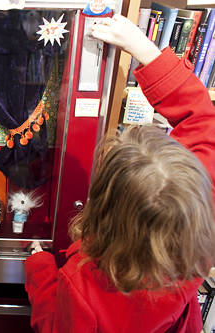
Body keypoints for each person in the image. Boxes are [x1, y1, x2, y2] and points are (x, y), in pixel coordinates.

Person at [24, 14, 215, 333]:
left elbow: (55, 323)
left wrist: (39, 267)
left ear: (103, 206)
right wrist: (144, 49)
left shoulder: (84, 283)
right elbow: (204, 120)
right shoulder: (201, 219)